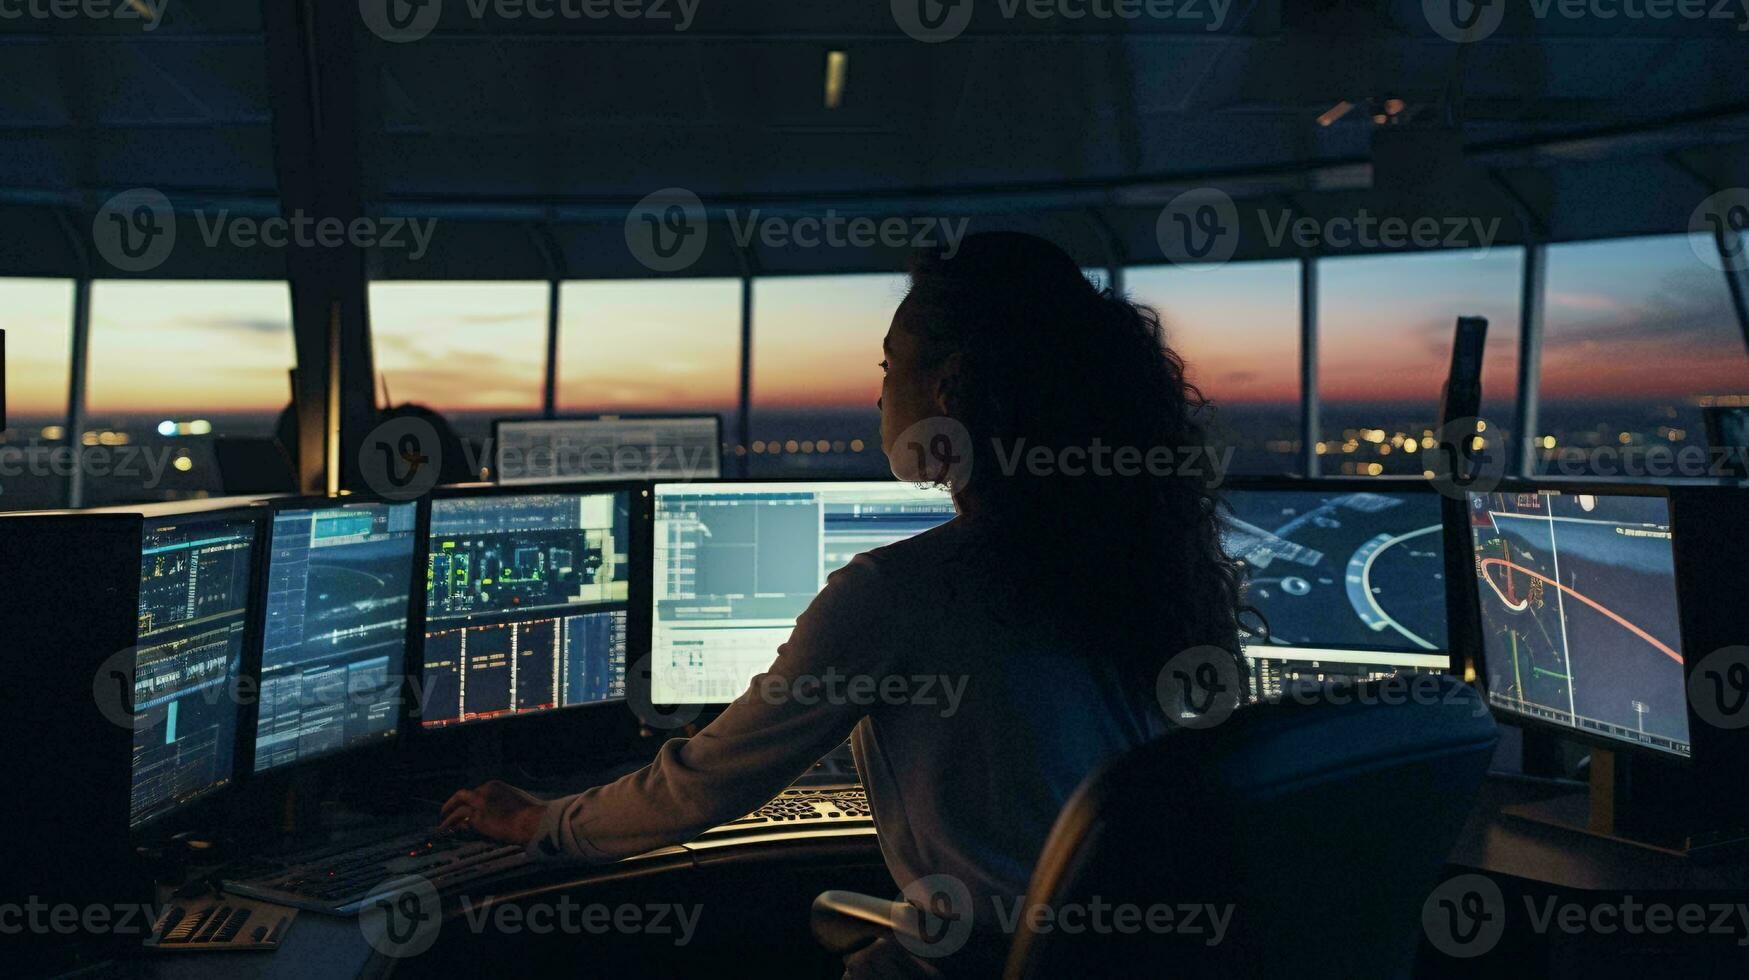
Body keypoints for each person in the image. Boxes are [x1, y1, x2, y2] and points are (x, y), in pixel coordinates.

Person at [440, 232, 1251, 977]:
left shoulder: (902, 589)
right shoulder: (1136, 562)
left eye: (889, 364)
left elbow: (704, 786)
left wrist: (539, 823)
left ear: (951, 385)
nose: (876, 394)